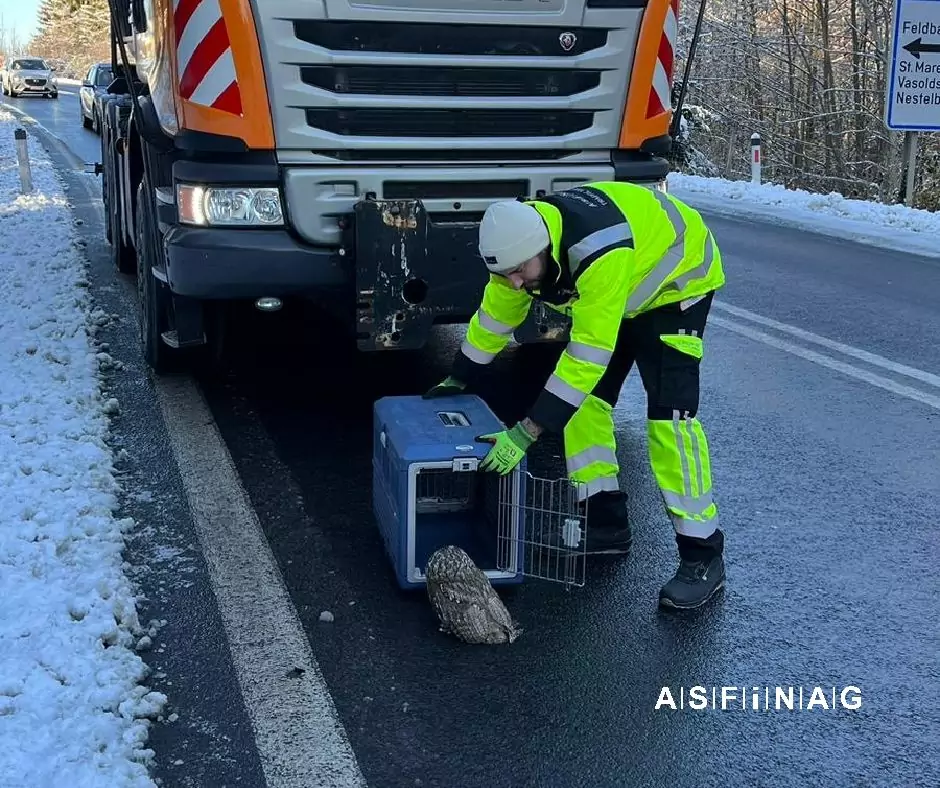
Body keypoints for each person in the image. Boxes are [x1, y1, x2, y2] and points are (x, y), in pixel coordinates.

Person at [423, 181, 726, 610]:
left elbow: (586, 357)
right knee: (584, 407)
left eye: (520, 271)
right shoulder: (517, 251)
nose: (513, 281)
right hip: (622, 293)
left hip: (676, 285)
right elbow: (495, 317)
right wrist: (460, 376)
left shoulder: (598, 253)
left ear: (544, 248)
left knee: (669, 421)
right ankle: (603, 525)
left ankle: (702, 554)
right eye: (504, 273)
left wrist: (527, 431)